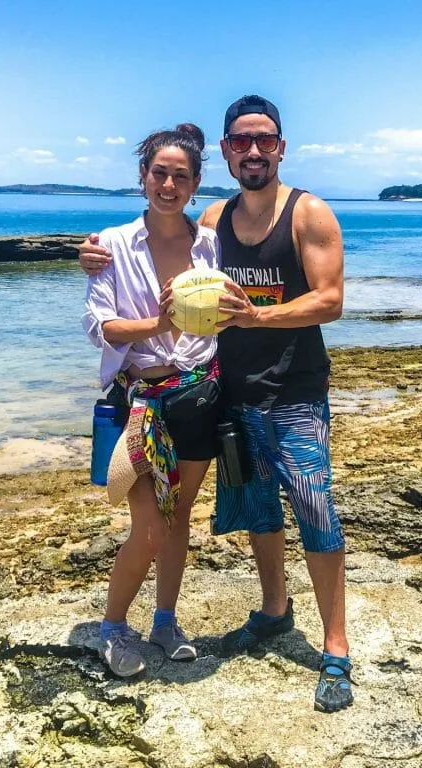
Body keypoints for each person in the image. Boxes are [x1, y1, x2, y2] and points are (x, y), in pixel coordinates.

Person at [80, 96, 353, 712]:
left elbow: (330, 300)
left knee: (315, 510)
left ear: (280, 147)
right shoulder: (214, 224)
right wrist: (90, 252)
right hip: (225, 393)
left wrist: (257, 315)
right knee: (257, 510)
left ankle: (335, 648)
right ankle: (273, 611)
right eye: (241, 141)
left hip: (294, 393)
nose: (253, 151)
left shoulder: (308, 213)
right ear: (227, 153)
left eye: (265, 140)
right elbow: (148, 246)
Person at [82, 122, 222, 677]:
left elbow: (234, 304)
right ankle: (112, 628)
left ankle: (164, 621)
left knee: (180, 514)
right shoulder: (110, 245)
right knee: (149, 526)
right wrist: (158, 321)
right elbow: (101, 328)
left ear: (194, 184)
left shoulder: (211, 244)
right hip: (140, 400)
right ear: (143, 178)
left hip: (198, 393)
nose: (168, 184)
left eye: (180, 176)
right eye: (159, 173)